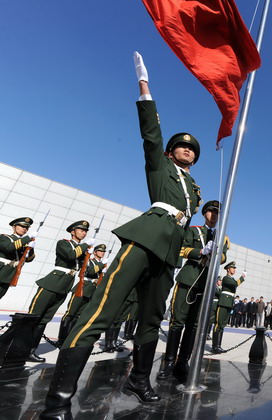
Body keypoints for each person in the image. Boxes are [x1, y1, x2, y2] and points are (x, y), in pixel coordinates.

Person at [41, 52, 202, 418]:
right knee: (103, 307)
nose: (187, 150)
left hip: (169, 252)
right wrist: (145, 89)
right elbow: (151, 134)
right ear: (170, 151)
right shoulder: (160, 165)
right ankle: (58, 402)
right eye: (182, 146)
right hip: (145, 239)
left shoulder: (194, 188)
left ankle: (139, 379)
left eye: (192, 149)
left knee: (152, 318)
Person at [157, 200, 227, 380]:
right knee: (177, 321)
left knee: (194, 325)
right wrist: (201, 252)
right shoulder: (193, 230)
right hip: (189, 279)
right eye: (211, 212)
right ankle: (169, 362)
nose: (214, 215)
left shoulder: (222, 237)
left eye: (217, 213)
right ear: (205, 213)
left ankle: (182, 362)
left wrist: (216, 254)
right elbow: (181, 249)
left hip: (205, 283)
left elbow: (224, 257)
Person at [28, 220, 92, 363]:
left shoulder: (81, 250)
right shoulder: (63, 243)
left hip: (64, 286)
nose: (84, 232)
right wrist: (85, 246)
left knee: (44, 320)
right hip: (52, 283)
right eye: (81, 230)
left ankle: (31, 350)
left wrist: (87, 257)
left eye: (85, 231)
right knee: (34, 317)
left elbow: (84, 269)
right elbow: (70, 255)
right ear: (73, 231)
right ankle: (17, 348)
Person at [57, 244, 107, 347]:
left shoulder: (101, 264)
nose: (102, 253)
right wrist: (101, 266)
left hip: (91, 291)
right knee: (70, 314)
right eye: (100, 251)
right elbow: (90, 271)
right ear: (95, 252)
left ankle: (69, 338)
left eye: (103, 252)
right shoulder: (89, 261)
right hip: (82, 288)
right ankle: (61, 339)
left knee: (77, 316)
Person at [213, 261, 246, 353]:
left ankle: (218, 346)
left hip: (228, 303)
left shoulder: (231, 279)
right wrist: (242, 277)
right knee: (218, 324)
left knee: (222, 325)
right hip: (223, 303)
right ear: (228, 269)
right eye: (233, 268)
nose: (234, 269)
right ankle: (215, 346)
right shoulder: (226, 278)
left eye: (235, 268)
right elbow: (235, 284)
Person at [0, 217, 36, 300]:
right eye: (22, 226)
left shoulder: (24, 242)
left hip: (9, 274)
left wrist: (31, 247)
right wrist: (28, 238)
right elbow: (9, 248)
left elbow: (28, 259)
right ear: (14, 227)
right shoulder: (4, 238)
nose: (25, 229)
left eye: (27, 228)